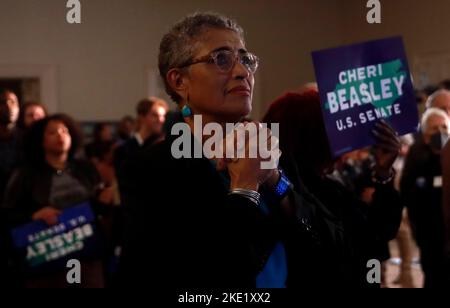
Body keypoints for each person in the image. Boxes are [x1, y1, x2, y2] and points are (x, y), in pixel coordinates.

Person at [119, 12, 339, 288]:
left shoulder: (273, 151)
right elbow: (208, 272)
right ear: (179, 81)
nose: (242, 71)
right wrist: (245, 187)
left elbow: (333, 247)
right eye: (221, 59)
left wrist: (275, 182)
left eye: (245, 59)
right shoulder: (148, 169)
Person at [262, 89, 403, 287]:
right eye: (334, 129)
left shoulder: (326, 185)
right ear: (314, 135)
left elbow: (377, 234)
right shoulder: (288, 189)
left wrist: (383, 173)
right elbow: (362, 243)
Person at [2, 114, 114, 288]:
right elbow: (8, 213)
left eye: (64, 131)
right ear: (41, 140)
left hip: (86, 253)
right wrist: (34, 215)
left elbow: (94, 210)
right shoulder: (26, 174)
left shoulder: (85, 168)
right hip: (47, 256)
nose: (60, 135)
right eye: (52, 132)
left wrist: (104, 201)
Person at [401, 107, 450, 288]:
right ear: (425, 132)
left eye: (444, 127)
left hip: (448, 229)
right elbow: (407, 189)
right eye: (434, 128)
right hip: (428, 230)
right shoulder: (416, 152)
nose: (440, 132)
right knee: (434, 276)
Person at [114, 97, 168, 176]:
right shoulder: (124, 149)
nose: (161, 120)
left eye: (163, 116)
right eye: (155, 115)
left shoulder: (163, 147)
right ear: (142, 117)